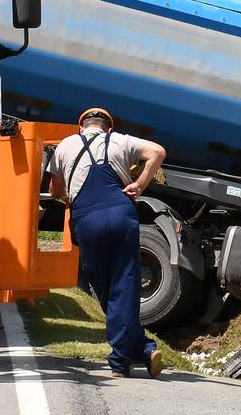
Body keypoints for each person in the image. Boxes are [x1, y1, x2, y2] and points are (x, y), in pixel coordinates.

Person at [49, 107, 167, 378]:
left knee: (105, 289)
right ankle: (142, 349)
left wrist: (73, 196)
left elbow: (55, 190)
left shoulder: (66, 144)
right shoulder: (121, 141)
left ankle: (122, 360)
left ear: (81, 127)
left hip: (88, 219)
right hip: (122, 213)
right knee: (124, 285)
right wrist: (139, 184)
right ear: (108, 128)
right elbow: (158, 152)